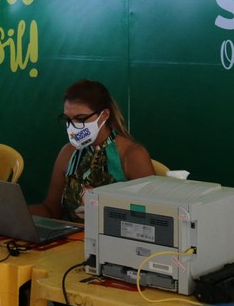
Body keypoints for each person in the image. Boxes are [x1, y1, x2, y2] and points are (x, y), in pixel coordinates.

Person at [30, 79, 155, 222]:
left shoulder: (132, 155)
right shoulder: (68, 152)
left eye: (80, 119)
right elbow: (51, 210)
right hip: (74, 235)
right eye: (68, 119)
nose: (73, 126)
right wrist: (15, 212)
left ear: (104, 115)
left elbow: (151, 215)